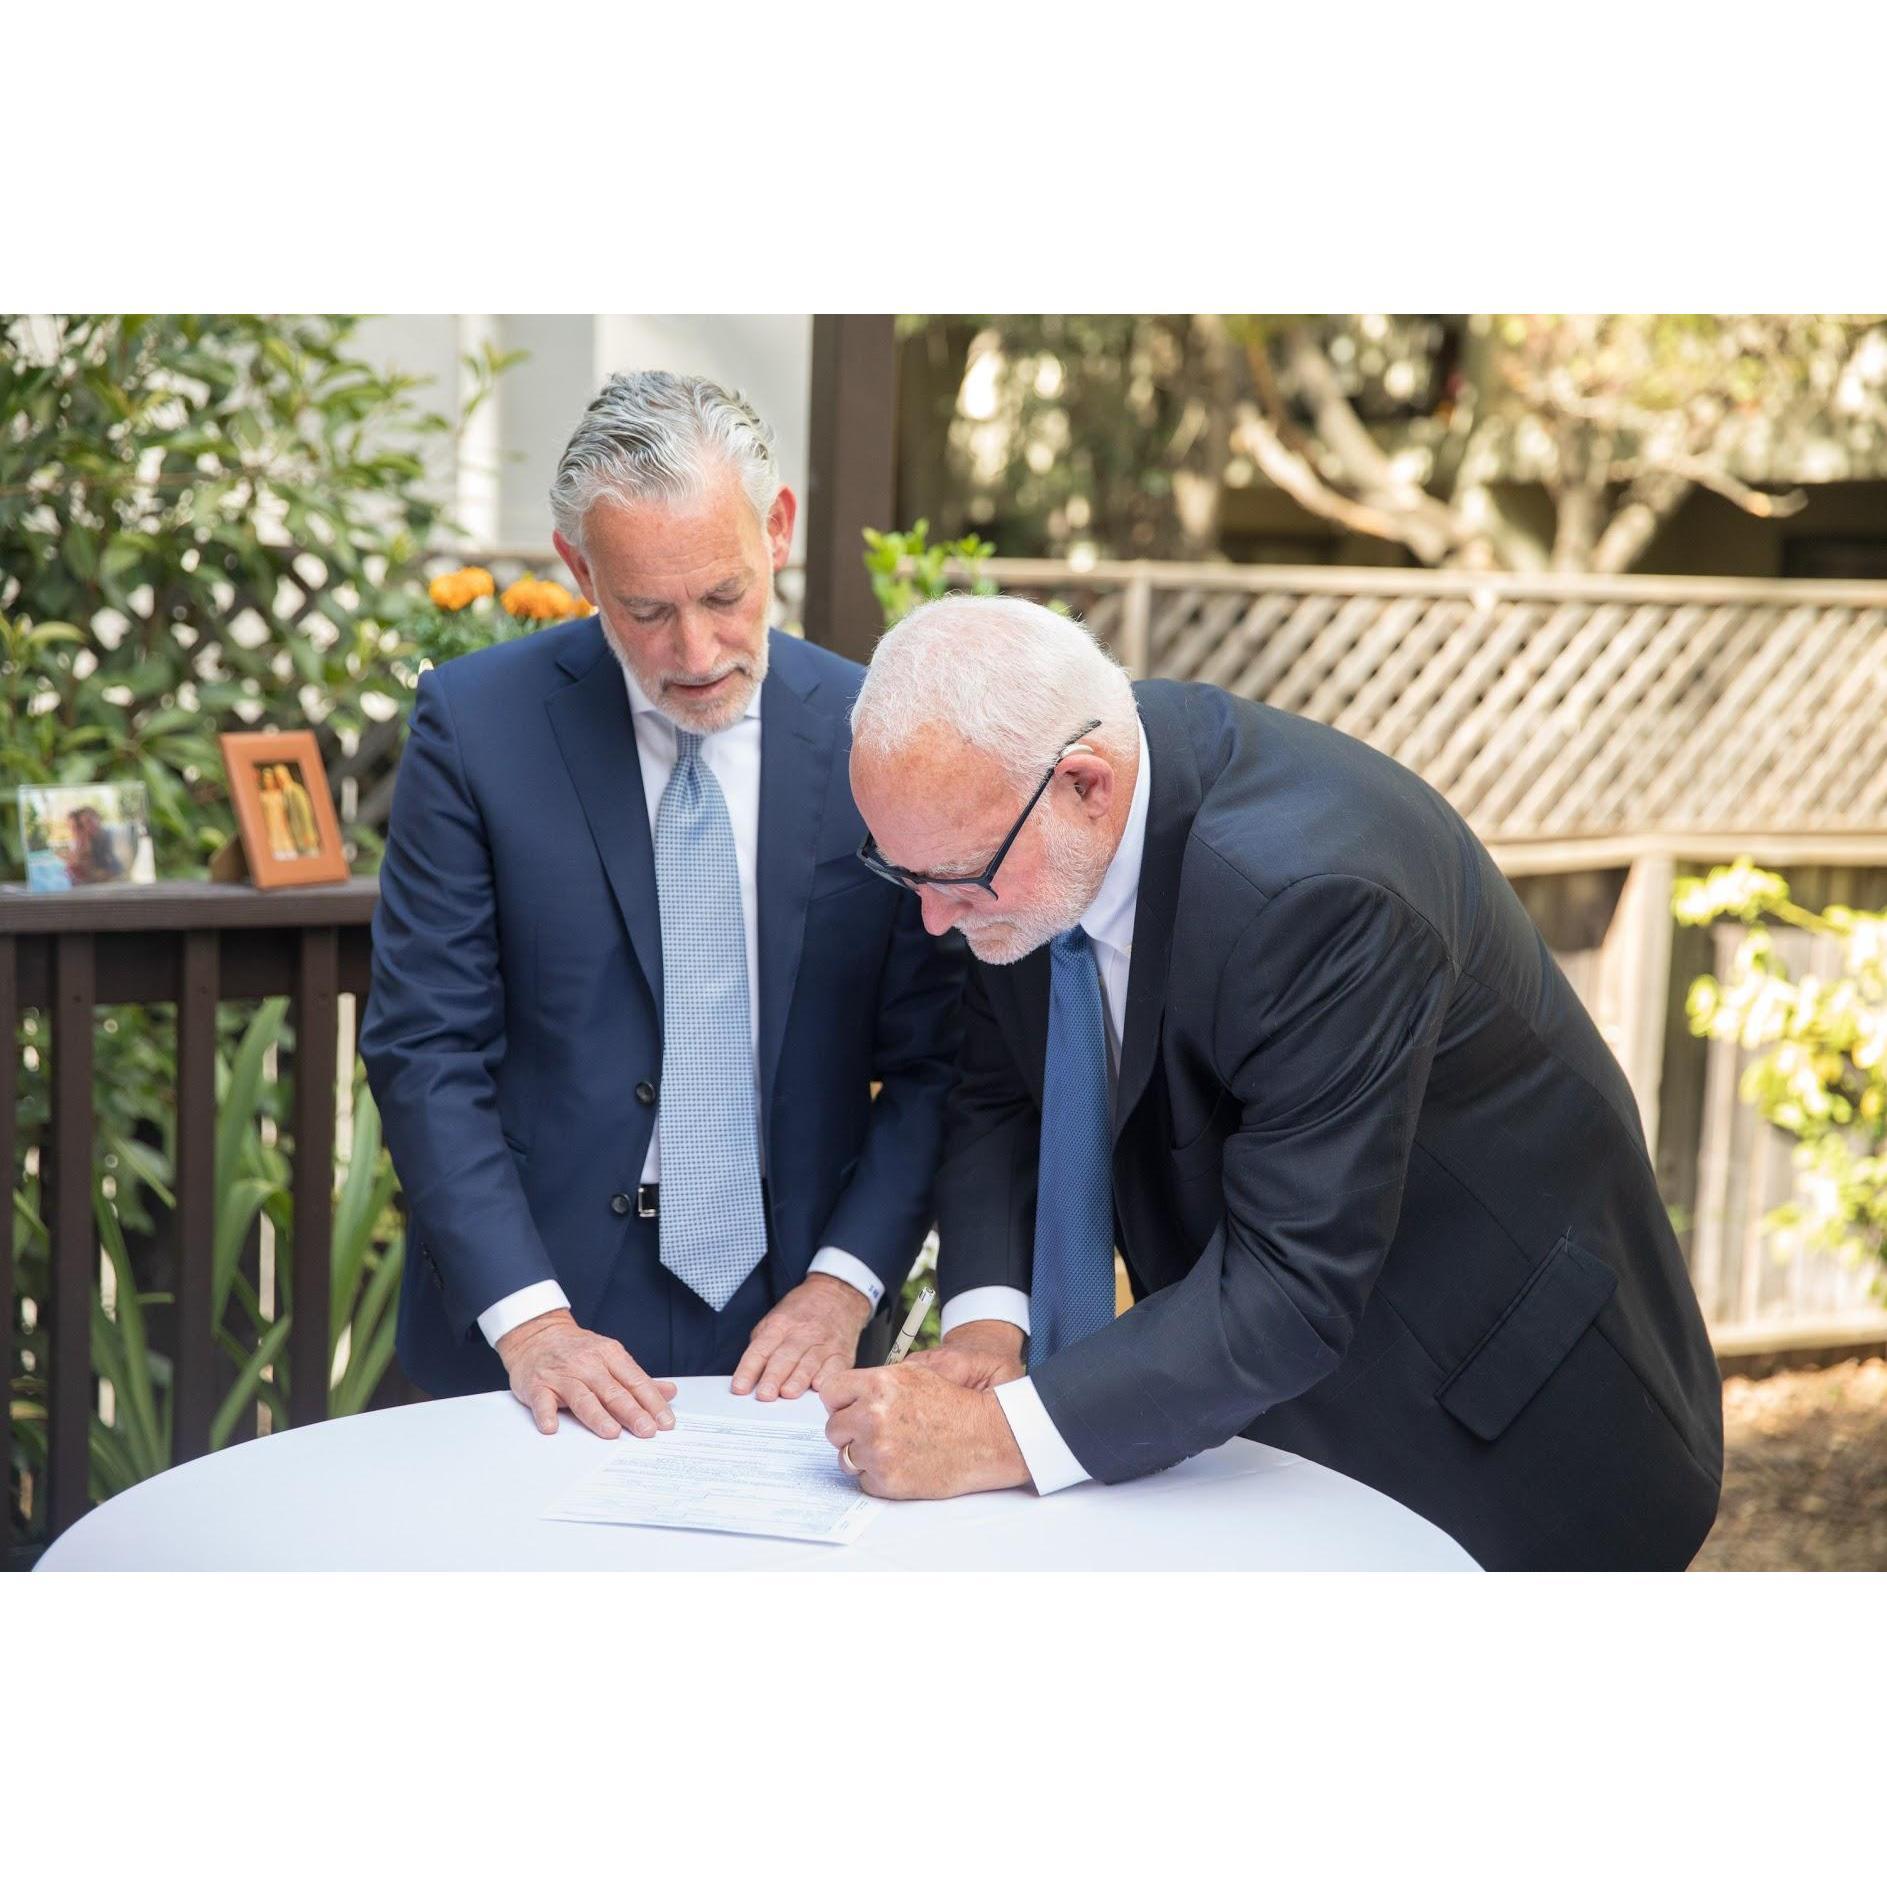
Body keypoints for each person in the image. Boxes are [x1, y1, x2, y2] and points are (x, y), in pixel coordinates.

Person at [818, 595, 1724, 1570]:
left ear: (1085, 784)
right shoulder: (1012, 827)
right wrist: (986, 1334)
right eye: (902, 875)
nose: (933, 924)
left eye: (953, 881)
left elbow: (1290, 1288)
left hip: (1501, 1416)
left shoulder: (1318, 894)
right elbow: (998, 1087)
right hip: (1265, 1415)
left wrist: (994, 1438)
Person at [361, 372, 962, 1440]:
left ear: (776, 529)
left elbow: (933, 1061)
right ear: (578, 569)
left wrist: (844, 1285)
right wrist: (530, 1319)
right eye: (644, 611)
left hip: (792, 1320)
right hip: (536, 1321)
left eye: (725, 597)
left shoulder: (875, 729)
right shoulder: (474, 726)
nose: (694, 654)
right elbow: (426, 1046)